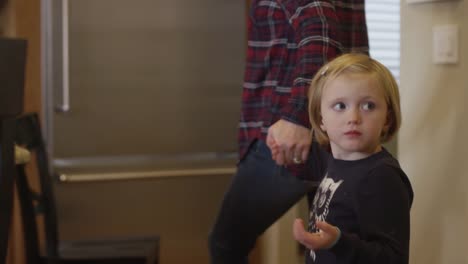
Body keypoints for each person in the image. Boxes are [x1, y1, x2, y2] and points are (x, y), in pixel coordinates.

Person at [209, 1, 369, 263]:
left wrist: (299, 116)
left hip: (287, 139)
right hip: (337, 134)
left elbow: (320, 29)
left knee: (226, 243)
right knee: (329, 249)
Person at [291, 53, 414, 264]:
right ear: (321, 119)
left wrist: (338, 242)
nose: (353, 118)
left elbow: (393, 258)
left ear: (388, 119)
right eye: (340, 106)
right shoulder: (335, 161)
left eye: (368, 106)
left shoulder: (381, 177)